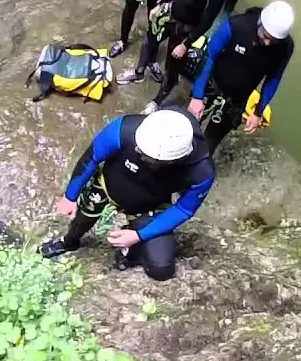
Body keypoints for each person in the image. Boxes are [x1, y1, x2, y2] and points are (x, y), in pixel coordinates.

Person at [39, 107, 216, 281]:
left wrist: (137, 236)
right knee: (81, 221)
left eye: (146, 155)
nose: (138, 151)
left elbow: (183, 210)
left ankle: (130, 246)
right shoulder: (126, 128)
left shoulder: (201, 173)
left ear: (171, 161)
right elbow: (91, 157)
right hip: (107, 185)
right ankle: (69, 241)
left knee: (161, 269)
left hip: (150, 205)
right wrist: (70, 196)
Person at [117, 0, 231, 115]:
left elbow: (208, 20)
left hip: (188, 26)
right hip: (172, 11)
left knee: (172, 65)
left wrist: (186, 44)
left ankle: (158, 100)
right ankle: (138, 73)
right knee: (149, 41)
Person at [188, 1, 294, 154]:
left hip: (236, 101)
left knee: (208, 145)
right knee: (188, 129)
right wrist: (198, 95)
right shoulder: (236, 25)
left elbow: (273, 78)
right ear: (260, 23)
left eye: (274, 40)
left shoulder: (285, 47)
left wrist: (258, 112)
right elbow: (209, 56)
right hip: (212, 86)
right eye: (265, 36)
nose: (267, 42)